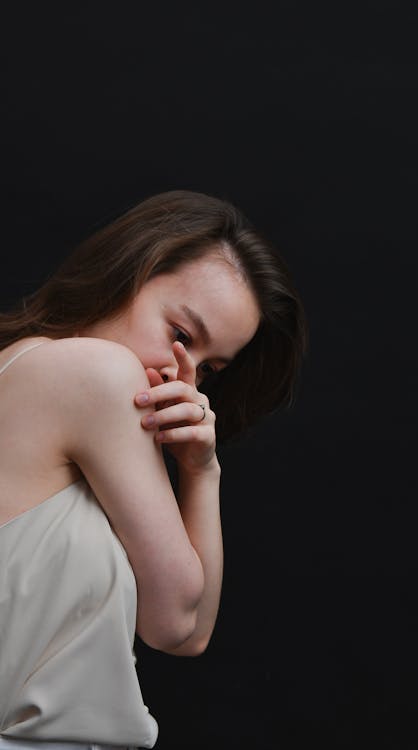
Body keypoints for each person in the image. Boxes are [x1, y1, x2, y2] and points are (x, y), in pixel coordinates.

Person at [0, 189, 307, 750]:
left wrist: (202, 468)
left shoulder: (23, 364)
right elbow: (175, 619)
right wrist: (200, 470)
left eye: (209, 367)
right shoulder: (99, 373)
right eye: (182, 335)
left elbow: (189, 636)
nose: (183, 375)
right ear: (128, 272)